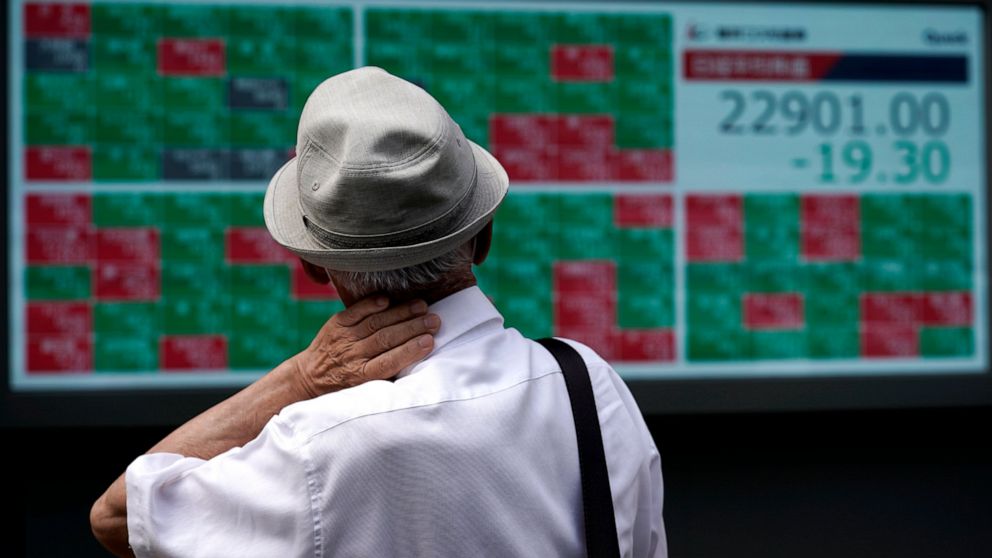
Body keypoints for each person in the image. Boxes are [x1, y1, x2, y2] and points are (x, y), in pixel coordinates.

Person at [91, 66, 667, 557]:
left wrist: (300, 379)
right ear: (484, 236)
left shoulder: (317, 444)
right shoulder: (590, 383)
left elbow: (116, 518)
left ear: (313, 265)